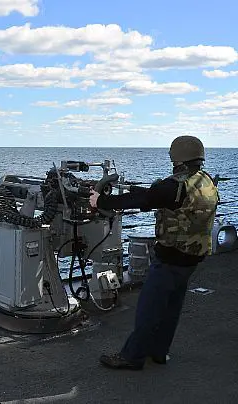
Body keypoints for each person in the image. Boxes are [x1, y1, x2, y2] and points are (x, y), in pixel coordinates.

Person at [89, 135, 219, 370]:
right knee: (171, 308)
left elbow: (146, 198)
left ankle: (132, 357)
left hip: (170, 257)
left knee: (149, 309)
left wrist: (102, 201)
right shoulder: (205, 180)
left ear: (177, 158)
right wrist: (132, 190)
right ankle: (159, 352)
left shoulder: (175, 186)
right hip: (192, 257)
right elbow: (156, 196)